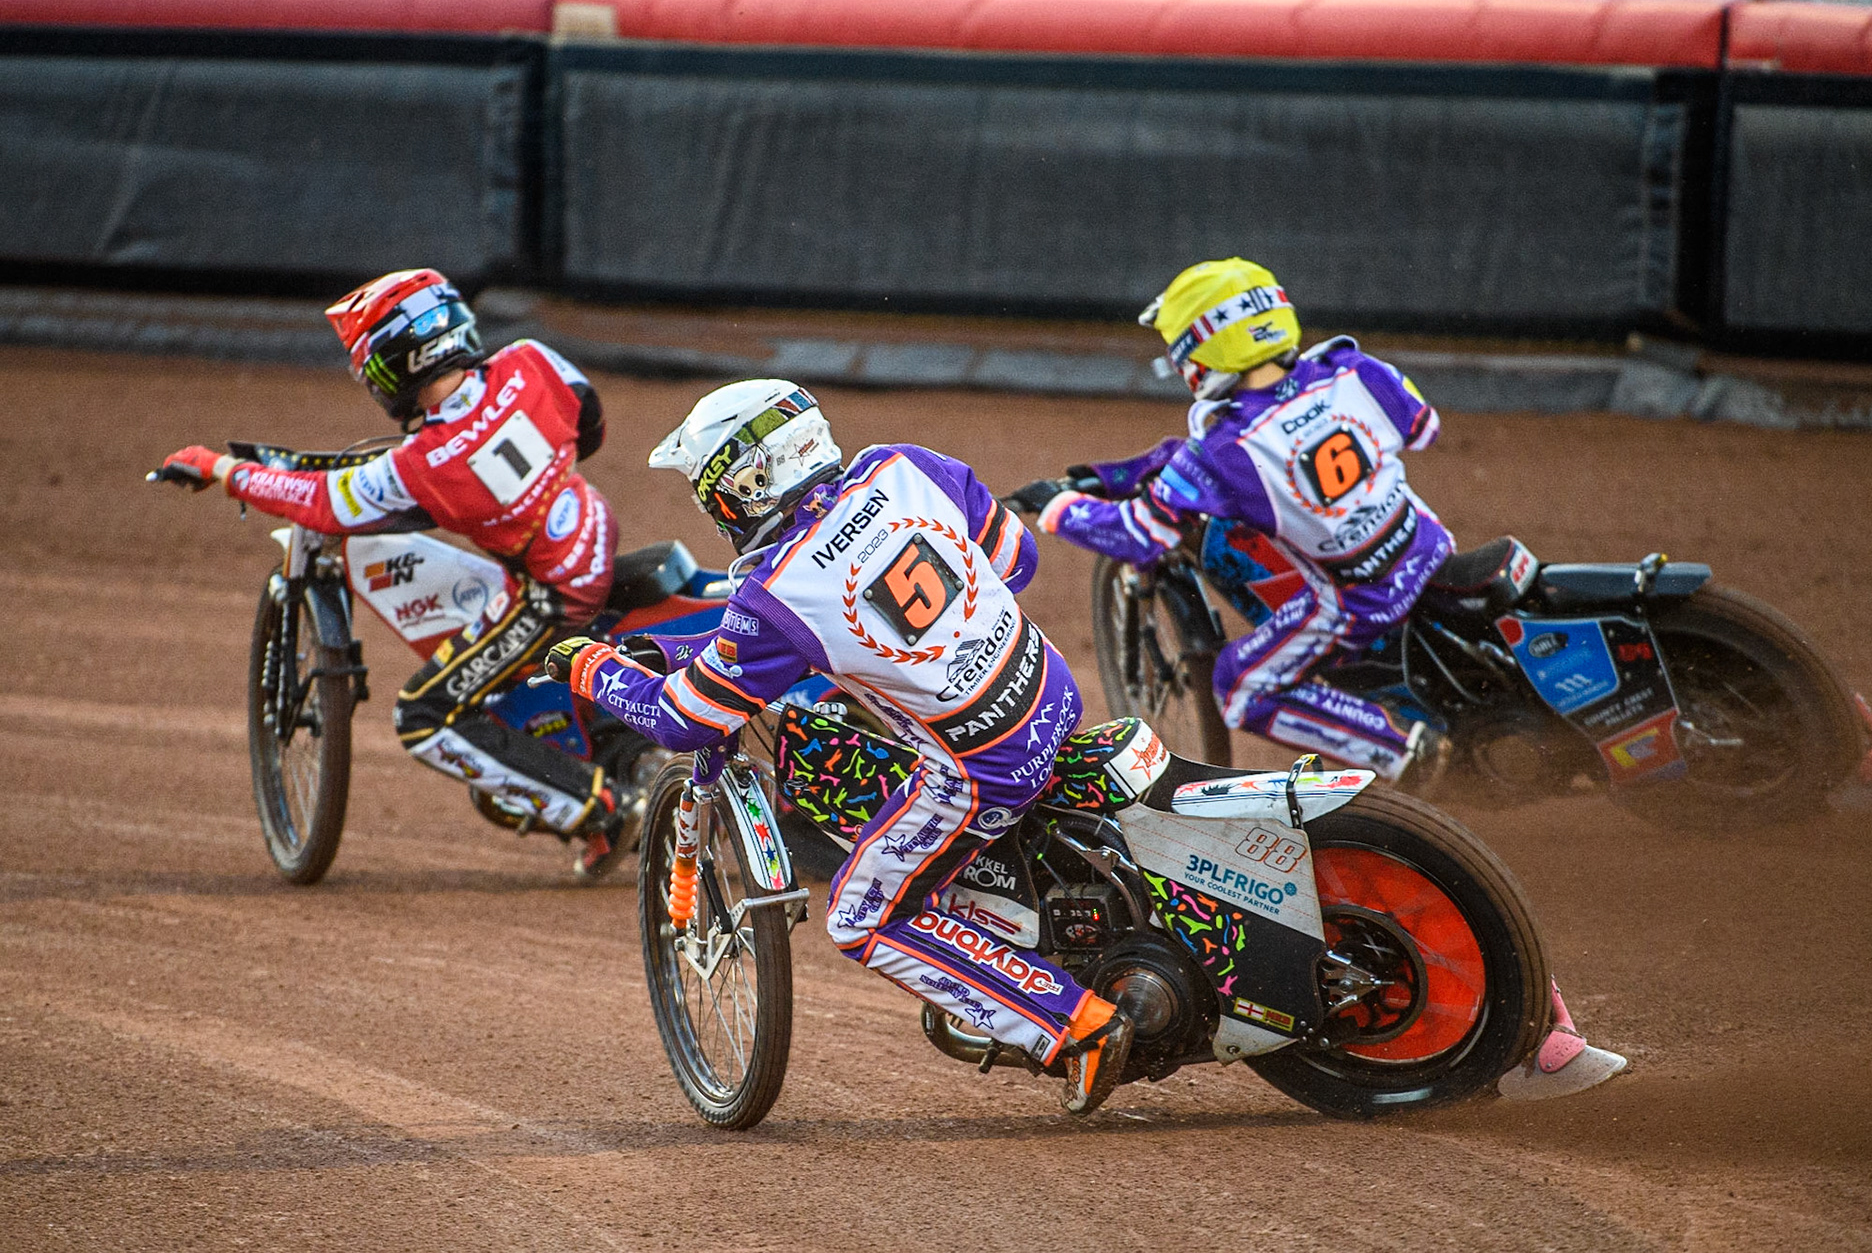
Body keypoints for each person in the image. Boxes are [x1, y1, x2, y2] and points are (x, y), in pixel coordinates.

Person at [544, 379, 1136, 1114]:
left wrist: (594, 670)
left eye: (710, 495)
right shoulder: (905, 465)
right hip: (1050, 691)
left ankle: (1072, 1025)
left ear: (743, 485)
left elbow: (684, 722)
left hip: (983, 767)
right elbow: (1015, 562)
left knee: (861, 916)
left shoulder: (775, 591)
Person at [158, 268, 636, 878]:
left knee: (423, 715)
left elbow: (322, 503)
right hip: (592, 526)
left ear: (393, 368)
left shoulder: (420, 466)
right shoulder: (531, 359)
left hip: (555, 593)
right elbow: (590, 427)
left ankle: (599, 807)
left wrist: (220, 470)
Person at [1008, 257, 1452, 784]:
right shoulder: (1353, 369)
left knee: (1240, 687)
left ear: (1203, 348)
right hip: (1430, 545)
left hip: (1361, 599)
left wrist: (1057, 508)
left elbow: (1139, 535)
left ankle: (1402, 752)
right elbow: (1423, 427)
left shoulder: (1224, 450)